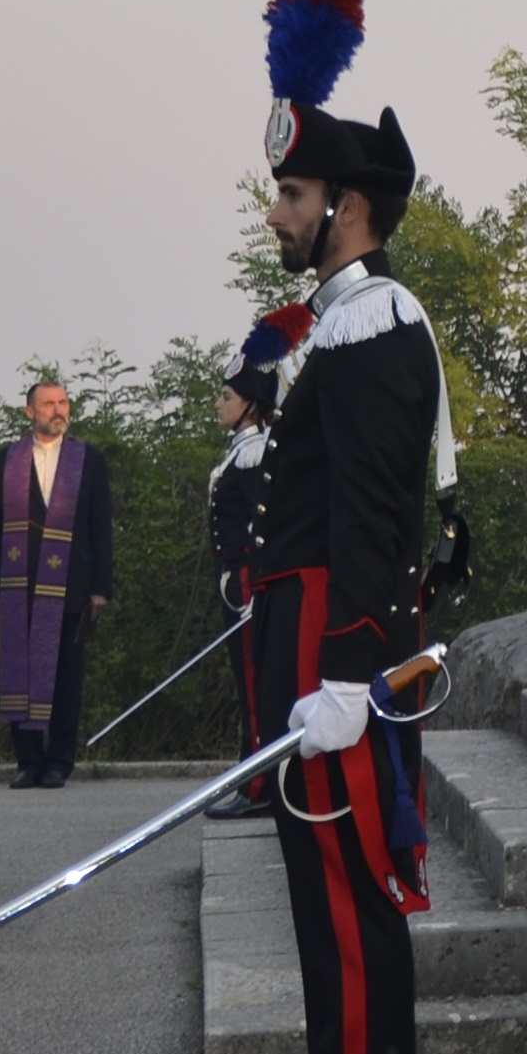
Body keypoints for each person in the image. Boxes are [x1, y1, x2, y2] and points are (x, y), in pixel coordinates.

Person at [237, 0, 447, 1054]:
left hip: (339, 663)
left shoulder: (374, 326)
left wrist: (346, 680)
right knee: (322, 919)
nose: (278, 213)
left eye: (294, 193)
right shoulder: (335, 325)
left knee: (354, 916)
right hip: (306, 655)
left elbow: (373, 520)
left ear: (347, 209)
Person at [197, 306, 306, 825]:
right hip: (232, 582)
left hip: (246, 582)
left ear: (250, 405)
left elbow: (266, 523)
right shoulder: (239, 449)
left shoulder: (255, 451)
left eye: (227, 396)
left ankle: (260, 782)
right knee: (247, 684)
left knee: (257, 684)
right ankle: (251, 774)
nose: (218, 403)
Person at [0, 377, 115, 788]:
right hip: (18, 582)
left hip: (71, 582)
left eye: (63, 403)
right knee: (20, 670)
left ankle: (60, 760)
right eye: (48, 404)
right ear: (30, 412)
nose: (58, 410)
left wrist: (101, 587)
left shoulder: (89, 460)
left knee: (66, 674)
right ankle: (28, 761)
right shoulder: (5, 461)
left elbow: (101, 527)